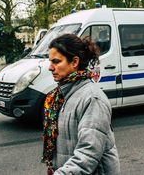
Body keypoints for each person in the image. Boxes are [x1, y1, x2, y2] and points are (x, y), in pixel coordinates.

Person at [41, 33, 121, 175]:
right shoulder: (59, 96)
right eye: (50, 62)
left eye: (56, 62)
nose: (50, 68)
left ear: (74, 62)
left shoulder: (92, 99)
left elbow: (88, 154)